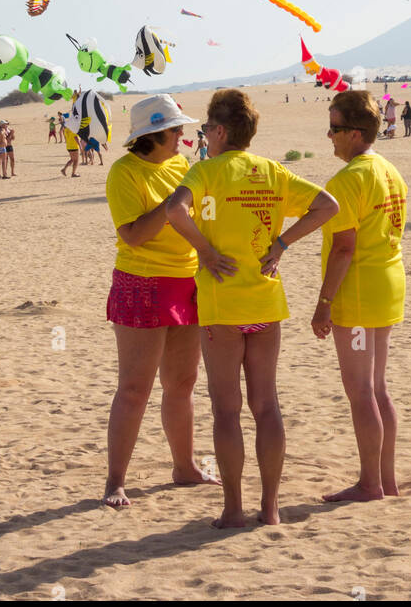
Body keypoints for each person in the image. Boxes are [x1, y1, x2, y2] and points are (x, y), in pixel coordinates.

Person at [167, 89, 338, 528]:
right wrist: (281, 242)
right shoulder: (272, 171)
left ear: (220, 131)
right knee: (267, 406)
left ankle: (233, 509)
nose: (204, 134)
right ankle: (271, 508)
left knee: (226, 408)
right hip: (265, 300)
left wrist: (204, 250)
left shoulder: (206, 171)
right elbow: (326, 205)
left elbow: (174, 211)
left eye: (206, 127)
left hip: (223, 307)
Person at [285, 89, 405, 503]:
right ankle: (385, 479)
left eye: (335, 129)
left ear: (355, 133)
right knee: (378, 387)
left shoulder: (348, 179)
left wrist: (323, 303)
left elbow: (344, 248)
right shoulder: (388, 169)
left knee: (361, 391)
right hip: (387, 285)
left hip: (356, 293)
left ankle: (371, 483)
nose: (329, 137)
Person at [104, 94, 213, 509]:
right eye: (175, 129)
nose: (182, 135)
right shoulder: (124, 173)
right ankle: (115, 481)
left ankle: (184, 467)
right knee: (134, 389)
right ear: (153, 134)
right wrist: (171, 208)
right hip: (141, 283)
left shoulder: (182, 166)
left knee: (182, 384)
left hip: (185, 283)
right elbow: (132, 234)